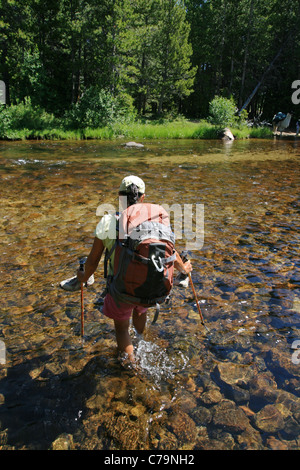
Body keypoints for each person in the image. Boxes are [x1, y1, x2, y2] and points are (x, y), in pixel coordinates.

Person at [60, 175, 192, 362]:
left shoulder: (108, 222)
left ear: (120, 197)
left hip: (121, 290)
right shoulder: (156, 222)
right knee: (140, 310)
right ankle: (140, 340)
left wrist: (82, 276)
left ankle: (133, 368)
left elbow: (91, 265)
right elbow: (172, 254)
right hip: (148, 285)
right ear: (143, 197)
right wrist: (184, 269)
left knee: (122, 329)